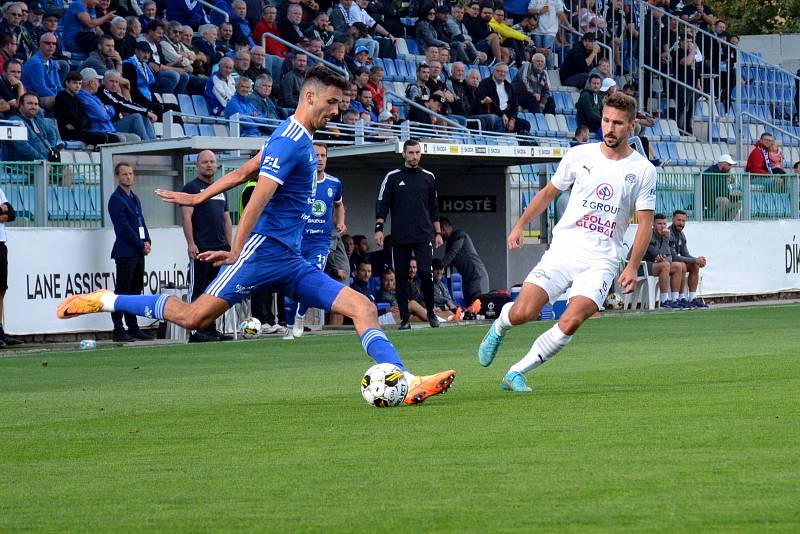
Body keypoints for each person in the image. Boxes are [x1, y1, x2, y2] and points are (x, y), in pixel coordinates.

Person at [58, 64, 455, 406]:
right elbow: (256, 199)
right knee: (195, 317)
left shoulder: (290, 134)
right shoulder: (289, 140)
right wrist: (234, 251)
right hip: (261, 254)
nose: (336, 112)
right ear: (311, 96)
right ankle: (106, 299)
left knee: (363, 308)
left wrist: (198, 196)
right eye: (332, 103)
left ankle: (403, 380)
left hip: (292, 260)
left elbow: (241, 172)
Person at [476, 92, 656, 392]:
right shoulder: (579, 155)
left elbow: (645, 223)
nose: (610, 129)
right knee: (524, 313)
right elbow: (549, 192)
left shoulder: (642, 170)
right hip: (564, 250)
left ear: (632, 126)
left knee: (573, 318)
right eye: (606, 121)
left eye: (618, 124)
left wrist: (633, 266)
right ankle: (499, 326)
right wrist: (520, 225)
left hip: (602, 259)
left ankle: (516, 372)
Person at [375, 140, 442, 330]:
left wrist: (437, 232)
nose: (414, 156)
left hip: (423, 236)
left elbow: (434, 208)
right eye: (411, 152)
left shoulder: (428, 177)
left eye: (417, 152)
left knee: (424, 273)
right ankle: (405, 319)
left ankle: (430, 313)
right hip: (400, 237)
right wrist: (379, 228)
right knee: (402, 277)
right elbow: (382, 204)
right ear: (403, 154)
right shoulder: (393, 177)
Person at [286, 142, 346, 339]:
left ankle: (300, 316)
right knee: (292, 282)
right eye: (316, 155)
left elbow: (339, 205)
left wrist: (341, 222)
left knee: (312, 278)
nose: (319, 159)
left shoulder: (334, 183)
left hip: (320, 242)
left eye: (323, 156)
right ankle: (288, 324)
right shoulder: (298, 181)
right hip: (298, 241)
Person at [180, 150, 233, 343]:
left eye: (212, 162)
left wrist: (229, 246)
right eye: (204, 162)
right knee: (198, 290)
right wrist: (191, 243)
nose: (209, 165)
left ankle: (211, 329)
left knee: (214, 292)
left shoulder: (220, 189)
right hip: (202, 248)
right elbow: (186, 217)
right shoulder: (191, 188)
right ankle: (195, 330)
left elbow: (226, 219)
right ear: (197, 165)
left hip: (219, 249)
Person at [107, 162, 153, 342]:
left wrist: (147, 240)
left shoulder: (134, 198)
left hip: (138, 251)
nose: (128, 177)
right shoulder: (116, 199)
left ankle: (133, 327)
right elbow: (123, 228)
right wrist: (139, 244)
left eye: (130, 174)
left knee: (135, 291)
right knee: (122, 291)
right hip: (126, 252)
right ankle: (118, 329)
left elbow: (140, 221)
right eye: (124, 174)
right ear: (118, 177)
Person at [55, 70, 121, 145]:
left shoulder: (75, 97)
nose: (77, 86)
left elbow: (86, 120)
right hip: (69, 133)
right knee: (105, 138)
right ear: (67, 83)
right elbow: (100, 115)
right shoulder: (62, 98)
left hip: (80, 130)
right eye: (74, 83)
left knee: (114, 138)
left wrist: (79, 124)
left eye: (79, 83)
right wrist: (80, 123)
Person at [639, 212, 688, 309]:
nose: (662, 226)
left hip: (654, 265)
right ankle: (664, 300)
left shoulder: (664, 235)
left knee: (679, 265)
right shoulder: (648, 235)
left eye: (664, 224)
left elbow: (669, 257)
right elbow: (659, 255)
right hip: (639, 266)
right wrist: (666, 239)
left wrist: (666, 258)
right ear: (653, 224)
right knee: (665, 265)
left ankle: (675, 299)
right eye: (659, 224)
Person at [439, 217, 489, 306]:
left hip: (478, 277)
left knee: (480, 308)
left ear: (443, 228)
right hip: (466, 282)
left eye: (438, 232)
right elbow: (447, 271)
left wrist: (440, 265)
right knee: (469, 311)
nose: (438, 235)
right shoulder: (448, 247)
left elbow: (454, 251)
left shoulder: (459, 234)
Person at [473, 62, 531, 134]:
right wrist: (501, 115)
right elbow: (490, 102)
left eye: (505, 72)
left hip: (507, 115)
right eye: (500, 71)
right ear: (493, 71)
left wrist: (513, 119)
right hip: (492, 113)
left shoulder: (509, 86)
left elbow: (515, 105)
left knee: (525, 125)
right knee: (499, 122)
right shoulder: (484, 83)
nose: (502, 74)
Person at [4, 92, 62, 161]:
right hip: (23, 167)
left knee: (69, 169)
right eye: (30, 103)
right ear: (21, 105)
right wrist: (42, 161)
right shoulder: (14, 122)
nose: (33, 107)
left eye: (36, 104)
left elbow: (52, 133)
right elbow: (23, 147)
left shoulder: (37, 120)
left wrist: (51, 148)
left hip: (44, 163)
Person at [669, 210, 708, 308]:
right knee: (681, 264)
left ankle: (692, 298)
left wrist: (698, 260)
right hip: (666, 263)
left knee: (694, 266)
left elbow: (685, 254)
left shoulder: (681, 235)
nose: (681, 223)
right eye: (679, 220)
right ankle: (679, 298)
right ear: (673, 220)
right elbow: (673, 256)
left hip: (674, 264)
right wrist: (695, 260)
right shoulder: (668, 233)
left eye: (683, 221)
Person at [0, 185, 22, 346]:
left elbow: (12, 214)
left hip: (1, 244)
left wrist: (6, 211)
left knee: (1, 289)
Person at [20, 32, 61, 110]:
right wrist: (60, 98)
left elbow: (58, 85)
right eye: (47, 43)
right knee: (59, 101)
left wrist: (65, 96)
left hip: (50, 95)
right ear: (40, 44)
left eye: (54, 43)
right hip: (35, 98)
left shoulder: (53, 63)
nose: (51, 45)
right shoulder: (35, 63)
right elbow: (41, 89)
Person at [702, 153, 739, 220]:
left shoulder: (724, 173)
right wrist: (729, 194)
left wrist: (735, 195)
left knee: (738, 203)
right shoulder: (710, 173)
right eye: (729, 165)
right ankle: (716, 222)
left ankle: (727, 222)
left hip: (719, 197)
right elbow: (713, 191)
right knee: (724, 201)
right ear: (723, 164)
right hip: (708, 199)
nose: (730, 167)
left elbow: (724, 189)